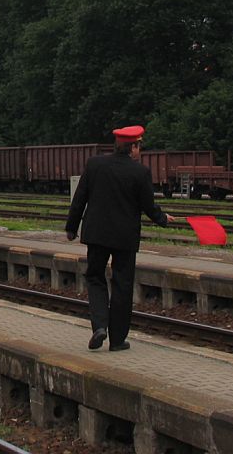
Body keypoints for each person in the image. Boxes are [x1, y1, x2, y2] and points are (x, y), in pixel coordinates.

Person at [65, 125, 177, 352]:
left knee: (95, 277)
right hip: (125, 238)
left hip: (97, 234)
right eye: (139, 146)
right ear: (133, 147)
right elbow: (149, 206)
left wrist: (71, 227)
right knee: (122, 285)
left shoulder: (95, 164)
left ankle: (99, 326)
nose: (140, 151)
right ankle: (117, 340)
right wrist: (163, 219)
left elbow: (80, 198)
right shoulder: (140, 173)